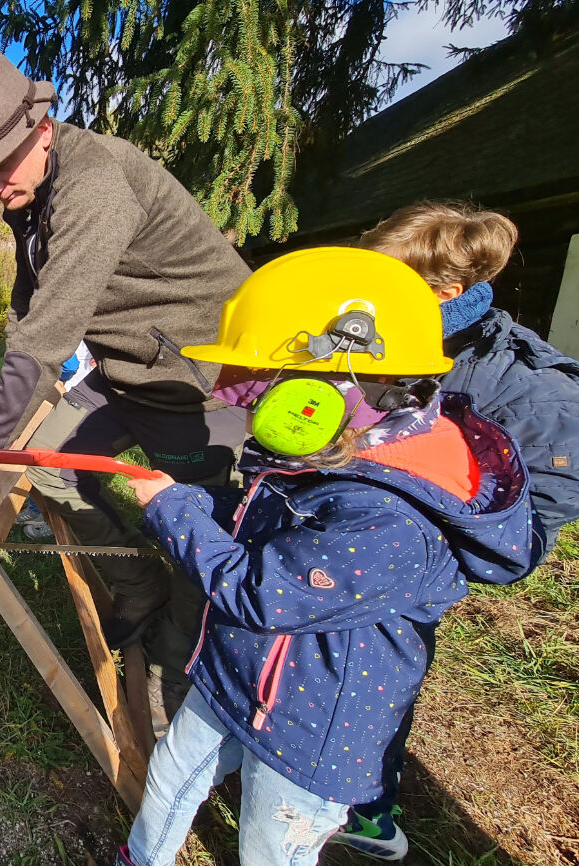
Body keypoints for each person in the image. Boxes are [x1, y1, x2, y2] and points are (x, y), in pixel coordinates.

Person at [114, 247, 534, 866]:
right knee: (172, 778)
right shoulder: (341, 451)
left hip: (311, 733)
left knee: (269, 849)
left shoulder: (390, 517)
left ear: (329, 391)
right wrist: (202, 501)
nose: (246, 407)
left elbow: (263, 593)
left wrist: (173, 513)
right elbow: (271, 509)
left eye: (263, 390)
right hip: (239, 675)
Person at [0, 52, 250, 711]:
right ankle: (137, 578)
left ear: (42, 131)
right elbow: (29, 310)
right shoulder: (33, 194)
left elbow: (47, 338)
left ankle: (177, 672)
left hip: (192, 377)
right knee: (50, 466)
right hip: (122, 368)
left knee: (201, 524)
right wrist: (3, 420)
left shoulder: (95, 186)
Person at [325, 201, 579, 858]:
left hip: (408, 574)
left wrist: (413, 526)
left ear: (446, 293)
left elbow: (518, 541)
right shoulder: (392, 335)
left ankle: (369, 816)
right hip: (335, 542)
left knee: (376, 693)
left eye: (384, 288)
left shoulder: (534, 393)